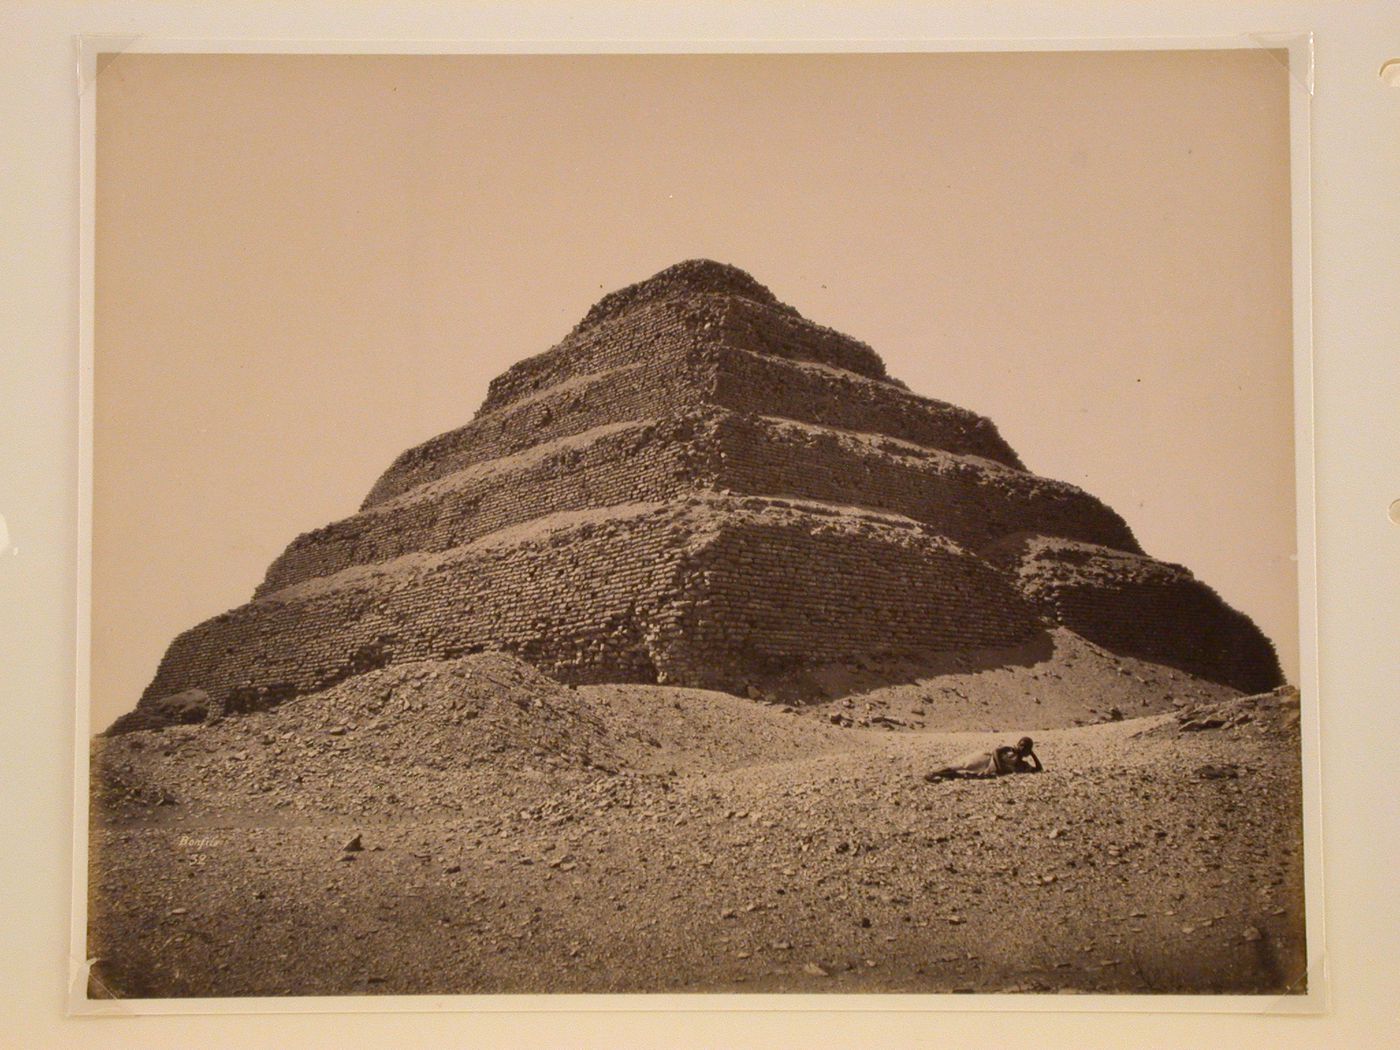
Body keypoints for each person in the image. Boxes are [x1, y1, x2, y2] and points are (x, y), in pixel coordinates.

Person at [923, 736, 1043, 782]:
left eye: (1025, 747)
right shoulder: (1009, 750)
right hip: (986, 758)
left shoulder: (1022, 764)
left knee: (964, 774)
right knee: (963, 765)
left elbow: (1039, 769)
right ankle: (933, 773)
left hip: (988, 769)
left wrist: (1032, 753)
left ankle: (939, 776)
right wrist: (1000, 768)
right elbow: (996, 751)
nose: (1021, 748)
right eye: (1021, 744)